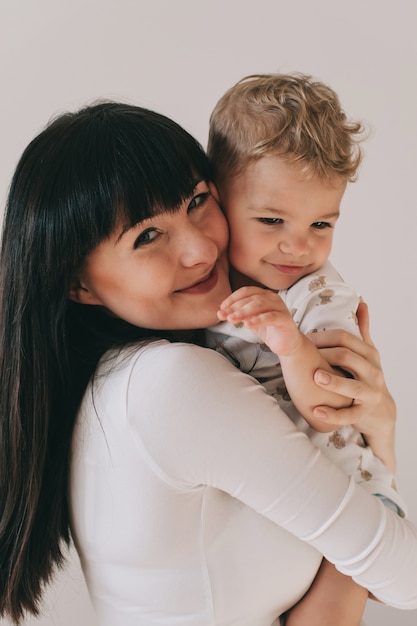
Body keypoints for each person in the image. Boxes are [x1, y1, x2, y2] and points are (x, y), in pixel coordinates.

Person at [0, 103, 416, 626]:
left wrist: (370, 425)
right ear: (78, 284)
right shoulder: (170, 383)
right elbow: (403, 574)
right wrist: (377, 439)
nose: (200, 249)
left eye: (197, 200)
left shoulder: (126, 384)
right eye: (146, 236)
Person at [206, 72, 405, 623]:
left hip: (352, 501)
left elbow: (329, 410)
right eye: (272, 220)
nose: (299, 245)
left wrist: (291, 344)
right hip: (287, 504)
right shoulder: (206, 286)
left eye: (322, 222)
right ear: (215, 202)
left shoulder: (318, 296)